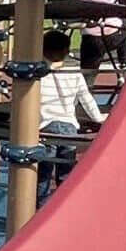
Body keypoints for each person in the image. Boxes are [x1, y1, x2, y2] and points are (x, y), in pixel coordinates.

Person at [37, 29, 107, 196]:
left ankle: (39, 212)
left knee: (43, 176)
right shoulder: (74, 74)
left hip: (46, 127)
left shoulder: (38, 75)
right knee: (66, 174)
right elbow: (86, 98)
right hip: (69, 128)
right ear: (67, 52)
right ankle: (62, 207)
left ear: (41, 50)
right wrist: (98, 118)